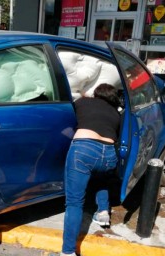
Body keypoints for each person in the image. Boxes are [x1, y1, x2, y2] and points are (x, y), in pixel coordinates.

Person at [61, 83, 121, 256]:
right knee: (101, 179)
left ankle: (68, 252)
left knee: (74, 203)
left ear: (96, 94)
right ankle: (103, 213)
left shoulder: (84, 102)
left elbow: (67, 116)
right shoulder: (116, 113)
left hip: (84, 149)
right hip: (109, 155)